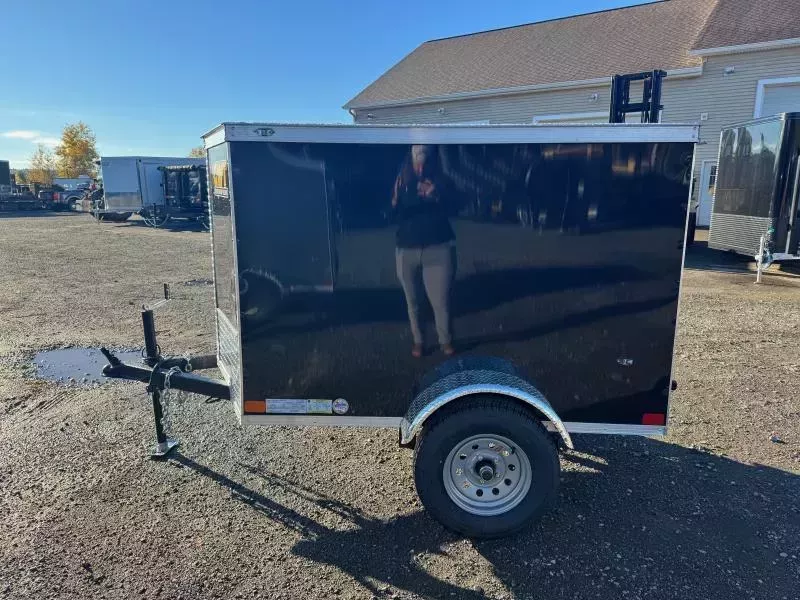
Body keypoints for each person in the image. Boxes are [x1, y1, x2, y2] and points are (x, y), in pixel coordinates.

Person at [391, 145, 455, 358]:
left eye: (425, 160)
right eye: (416, 159)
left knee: (441, 301)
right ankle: (418, 340)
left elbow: (458, 205)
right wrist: (394, 199)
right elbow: (392, 215)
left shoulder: (443, 178)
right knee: (413, 301)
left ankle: (445, 340)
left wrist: (437, 194)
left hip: (437, 247)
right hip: (406, 248)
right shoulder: (400, 179)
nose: (420, 166)